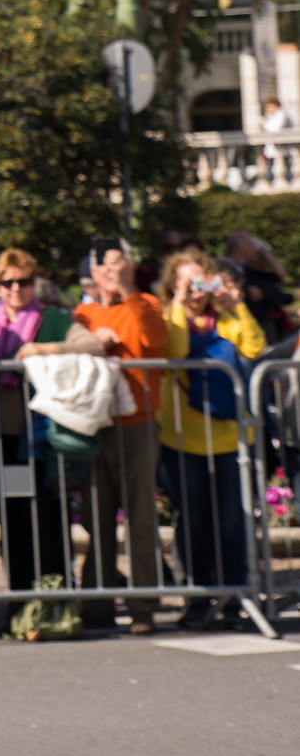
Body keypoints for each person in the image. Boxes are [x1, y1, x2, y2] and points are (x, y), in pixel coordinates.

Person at [44, 238, 168, 634]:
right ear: (94, 273)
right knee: (96, 516)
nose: (113, 271)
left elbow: (155, 341)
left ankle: (143, 605)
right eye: (107, 265)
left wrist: (129, 292)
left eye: (121, 263)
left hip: (138, 424)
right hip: (95, 423)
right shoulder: (83, 312)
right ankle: (97, 602)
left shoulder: (146, 304)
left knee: (140, 518)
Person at [157, 252, 264, 627]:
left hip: (229, 438)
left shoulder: (227, 317)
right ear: (173, 284)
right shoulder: (171, 316)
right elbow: (175, 349)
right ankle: (198, 598)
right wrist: (178, 303)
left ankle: (234, 599)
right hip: (184, 439)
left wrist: (236, 306)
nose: (198, 291)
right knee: (194, 520)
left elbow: (253, 348)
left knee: (233, 521)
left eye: (202, 281)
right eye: (189, 282)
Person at [0, 248, 74, 630]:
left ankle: (55, 602)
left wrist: (42, 348)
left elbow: (90, 344)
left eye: (23, 282)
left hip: (39, 437)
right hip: (3, 437)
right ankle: (20, 605)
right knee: (14, 521)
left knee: (49, 519)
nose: (16, 289)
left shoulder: (51, 319)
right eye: (8, 282)